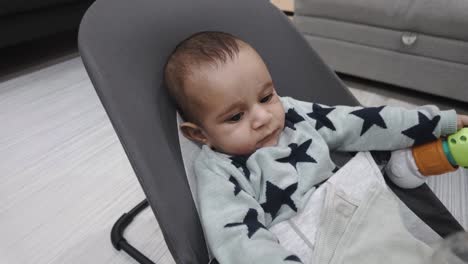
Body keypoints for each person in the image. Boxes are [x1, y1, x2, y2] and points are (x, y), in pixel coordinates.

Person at [163, 31, 468, 264]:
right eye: (235, 116)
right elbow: (236, 239)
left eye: (267, 96)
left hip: (367, 211)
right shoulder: (220, 171)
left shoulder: (296, 114)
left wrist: (438, 122)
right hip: (318, 246)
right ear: (199, 134)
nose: (262, 117)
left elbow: (360, 121)